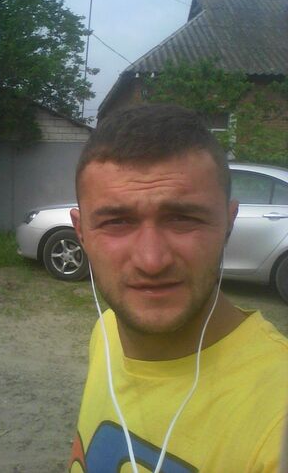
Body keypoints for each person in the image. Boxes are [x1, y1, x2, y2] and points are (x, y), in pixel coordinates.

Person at [68, 104, 288, 473]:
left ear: (228, 223)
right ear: (81, 232)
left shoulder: (277, 415)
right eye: (117, 221)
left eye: (183, 218)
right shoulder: (106, 332)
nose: (152, 260)